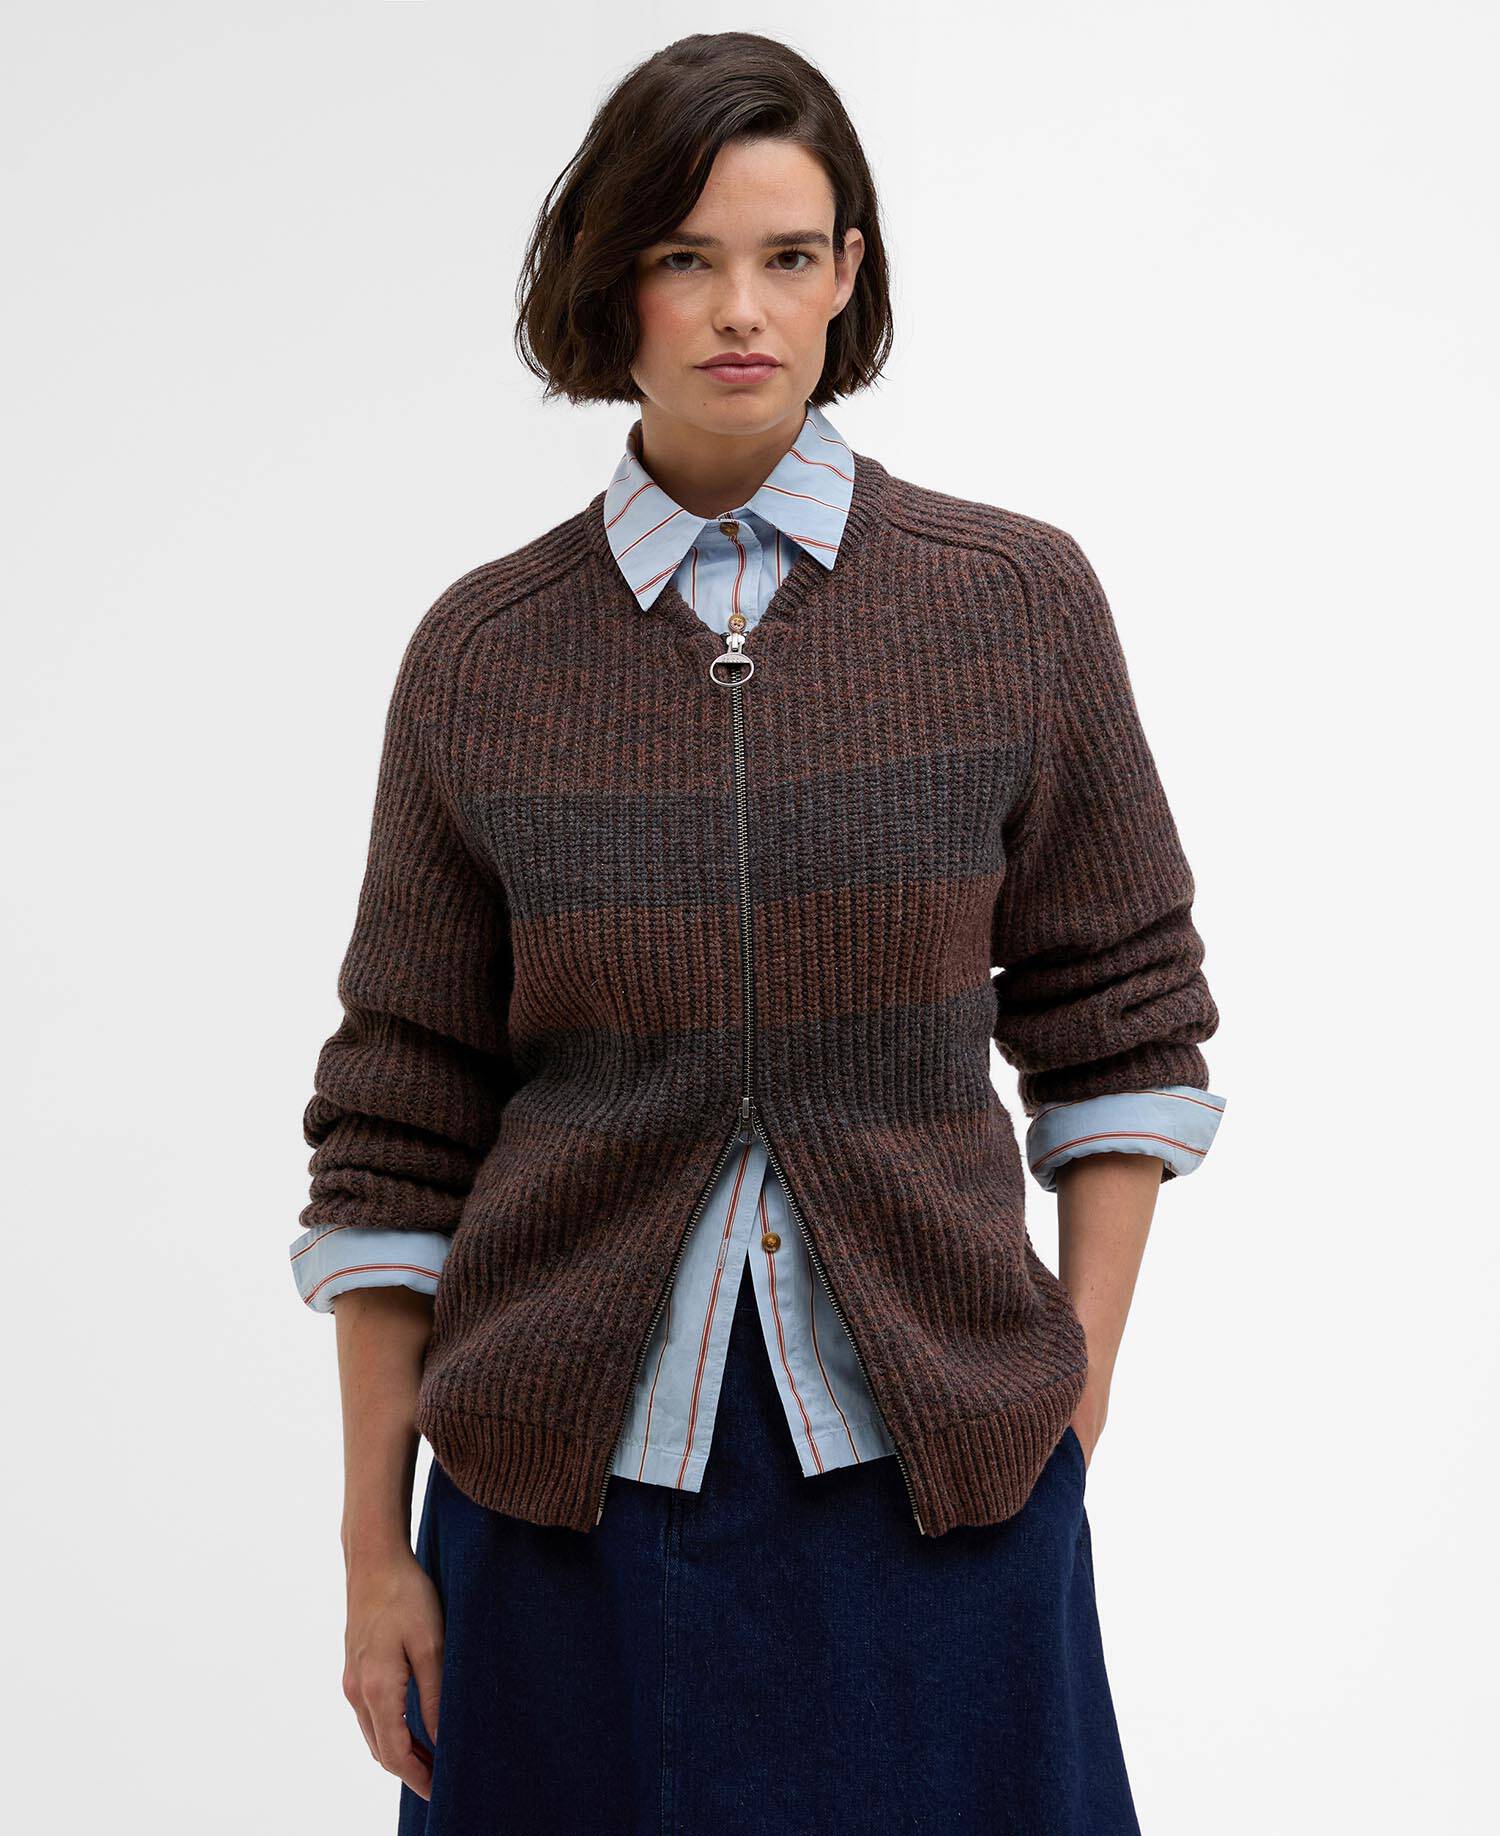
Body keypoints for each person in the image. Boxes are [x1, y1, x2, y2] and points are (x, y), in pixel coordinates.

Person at [288, 31, 1226, 1835]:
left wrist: (1073, 1394)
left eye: (790, 256)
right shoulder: (486, 654)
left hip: (938, 1480)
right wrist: (372, 1551)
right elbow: (398, 1116)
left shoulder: (1012, 603)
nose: (742, 309)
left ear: (848, 272)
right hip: (550, 1507)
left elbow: (1121, 1016)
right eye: (685, 256)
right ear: (610, 282)